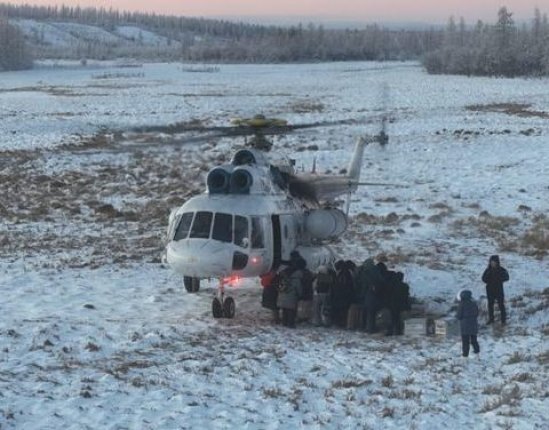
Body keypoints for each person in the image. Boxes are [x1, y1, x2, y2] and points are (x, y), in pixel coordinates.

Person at [482, 255, 509, 325]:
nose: (492, 263)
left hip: (499, 290)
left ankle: (503, 320)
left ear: (497, 262)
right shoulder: (488, 270)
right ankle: (491, 319)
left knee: (501, 305)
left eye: (494, 262)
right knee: (490, 305)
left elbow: (507, 277)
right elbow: (483, 279)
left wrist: (500, 278)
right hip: (490, 290)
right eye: (491, 262)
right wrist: (488, 278)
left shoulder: (501, 269)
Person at [277, 258, 304, 328]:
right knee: (291, 311)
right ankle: (290, 323)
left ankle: (284, 322)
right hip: (292, 297)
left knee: (285, 310)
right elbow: (299, 289)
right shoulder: (296, 280)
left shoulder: (284, 277)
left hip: (283, 296)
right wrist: (300, 295)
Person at [456, 290, 480, 357]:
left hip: (465, 326)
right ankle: (477, 352)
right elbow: (477, 313)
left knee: (465, 342)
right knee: (474, 340)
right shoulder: (474, 303)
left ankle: (465, 355)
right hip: (474, 325)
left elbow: (459, 315)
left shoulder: (461, 304)